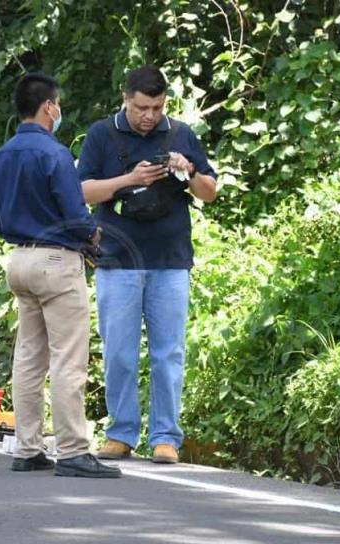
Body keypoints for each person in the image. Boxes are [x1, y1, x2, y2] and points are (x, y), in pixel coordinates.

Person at [77, 65, 217, 464]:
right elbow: (82, 190)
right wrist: (128, 178)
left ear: (165, 104)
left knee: (168, 352)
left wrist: (187, 170)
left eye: (156, 107)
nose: (148, 116)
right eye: (141, 107)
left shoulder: (181, 134)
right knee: (119, 350)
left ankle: (166, 437)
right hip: (117, 259)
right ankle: (121, 432)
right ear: (126, 99)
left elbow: (210, 193)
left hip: (170, 259)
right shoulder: (101, 134)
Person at [0, 73, 121, 479]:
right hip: (56, 262)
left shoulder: (2, 155)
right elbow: (73, 210)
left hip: (20, 261)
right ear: (49, 106)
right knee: (68, 359)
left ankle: (28, 448)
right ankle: (74, 451)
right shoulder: (55, 153)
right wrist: (92, 233)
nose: (58, 109)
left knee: (29, 358)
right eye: (57, 103)